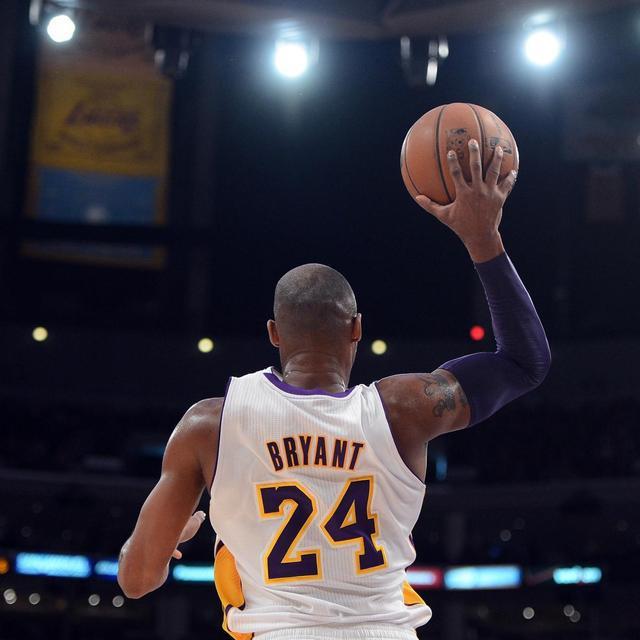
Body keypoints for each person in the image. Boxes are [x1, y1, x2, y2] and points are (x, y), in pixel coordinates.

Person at [118, 140, 551, 640]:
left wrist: (165, 539)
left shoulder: (208, 425)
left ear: (273, 333)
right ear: (357, 328)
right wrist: (484, 240)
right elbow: (524, 361)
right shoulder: (404, 409)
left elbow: (136, 580)